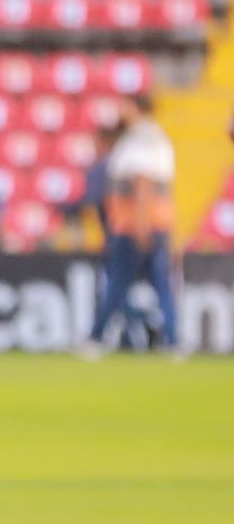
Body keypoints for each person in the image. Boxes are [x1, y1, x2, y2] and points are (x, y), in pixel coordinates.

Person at [82, 95, 179, 356]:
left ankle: (96, 337)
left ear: (137, 108)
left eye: (125, 105)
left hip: (134, 225)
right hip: (152, 223)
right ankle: (173, 340)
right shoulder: (152, 137)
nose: (120, 110)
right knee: (160, 285)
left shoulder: (142, 139)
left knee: (118, 283)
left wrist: (141, 225)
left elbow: (142, 183)